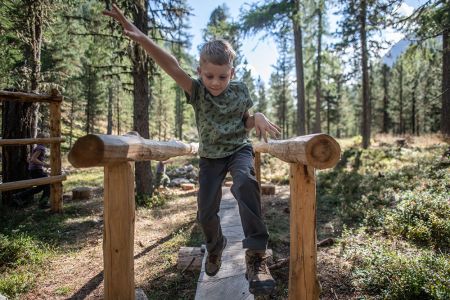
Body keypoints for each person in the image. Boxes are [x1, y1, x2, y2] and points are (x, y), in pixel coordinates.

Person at [104, 4, 281, 296]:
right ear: (200, 72)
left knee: (246, 183)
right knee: (205, 214)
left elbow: (245, 122)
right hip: (210, 157)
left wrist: (257, 117)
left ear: (231, 73)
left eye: (222, 77)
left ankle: (255, 254)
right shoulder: (196, 90)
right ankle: (215, 247)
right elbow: (171, 64)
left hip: (238, 149)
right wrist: (142, 38)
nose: (215, 83)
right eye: (209, 76)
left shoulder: (240, 90)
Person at [12, 132, 51, 209]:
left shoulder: (37, 147)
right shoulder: (41, 148)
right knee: (48, 184)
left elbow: (30, 159)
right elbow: (33, 159)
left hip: (34, 170)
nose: (49, 141)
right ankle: (43, 203)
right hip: (36, 170)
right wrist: (44, 164)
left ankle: (19, 196)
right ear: (43, 140)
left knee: (40, 188)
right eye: (48, 139)